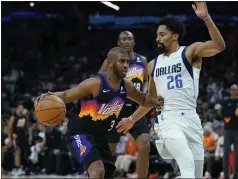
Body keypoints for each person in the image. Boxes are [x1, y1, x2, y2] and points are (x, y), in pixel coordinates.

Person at [116, 2, 226, 178]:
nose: (158, 38)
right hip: (167, 120)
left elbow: (219, 46)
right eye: (157, 35)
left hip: (192, 120)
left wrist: (206, 17)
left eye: (162, 34)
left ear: (175, 36)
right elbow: (150, 100)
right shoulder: (153, 65)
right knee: (187, 165)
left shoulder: (190, 52)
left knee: (195, 175)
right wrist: (131, 119)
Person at [35, 47, 163, 179]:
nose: (126, 65)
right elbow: (66, 95)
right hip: (80, 134)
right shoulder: (95, 84)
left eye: (127, 62)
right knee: (97, 171)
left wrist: (160, 97)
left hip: (101, 139)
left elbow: (145, 100)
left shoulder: (127, 86)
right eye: (121, 62)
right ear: (110, 63)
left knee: (106, 174)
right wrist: (47, 97)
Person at [99, 31, 150, 178]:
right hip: (115, 109)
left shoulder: (143, 60)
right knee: (110, 150)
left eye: (129, 39)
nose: (127, 41)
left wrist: (144, 93)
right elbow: (99, 80)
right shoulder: (110, 61)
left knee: (145, 144)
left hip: (135, 110)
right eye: (123, 39)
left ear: (134, 42)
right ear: (118, 43)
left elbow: (146, 80)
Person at [221, 84, 238, 179]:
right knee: (226, 152)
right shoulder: (225, 102)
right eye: (232, 90)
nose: (234, 91)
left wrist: (232, 113)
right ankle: (226, 175)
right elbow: (224, 114)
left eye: (236, 90)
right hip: (228, 131)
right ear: (230, 91)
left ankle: (236, 175)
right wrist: (235, 113)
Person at [8, 104, 29, 176]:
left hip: (22, 137)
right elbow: (9, 128)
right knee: (17, 151)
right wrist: (10, 138)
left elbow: (26, 127)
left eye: (23, 108)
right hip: (15, 136)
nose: (22, 109)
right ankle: (16, 168)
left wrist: (28, 136)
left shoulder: (24, 117)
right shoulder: (13, 117)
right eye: (21, 108)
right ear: (17, 108)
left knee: (22, 152)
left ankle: (20, 167)